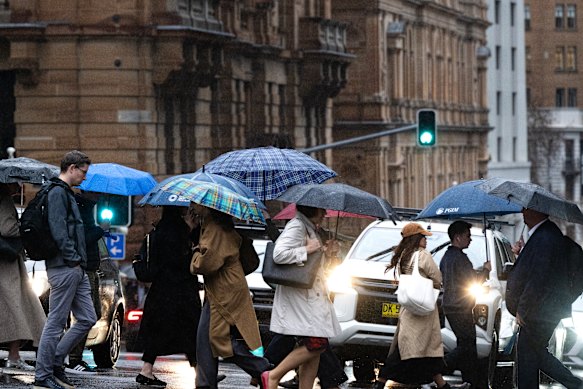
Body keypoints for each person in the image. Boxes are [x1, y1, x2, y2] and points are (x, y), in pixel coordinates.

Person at [33, 150, 98, 389]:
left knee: (88, 318)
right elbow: (58, 228)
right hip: (65, 266)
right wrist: (72, 259)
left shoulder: (65, 192)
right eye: (83, 172)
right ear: (71, 168)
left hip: (74, 266)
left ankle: (55, 362)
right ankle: (43, 375)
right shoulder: (58, 193)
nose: (85, 177)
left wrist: (77, 262)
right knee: (56, 322)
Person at [189, 203, 271, 389]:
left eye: (195, 204)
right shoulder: (212, 225)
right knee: (205, 337)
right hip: (220, 289)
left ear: (208, 207)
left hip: (224, 291)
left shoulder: (216, 229)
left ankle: (263, 369)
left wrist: (195, 255)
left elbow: (206, 264)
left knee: (217, 338)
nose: (191, 207)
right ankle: (205, 382)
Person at [261, 205, 341, 389]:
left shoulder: (310, 228)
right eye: (322, 210)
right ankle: (272, 376)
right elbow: (279, 254)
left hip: (310, 296)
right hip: (301, 298)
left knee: (315, 347)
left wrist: (328, 254)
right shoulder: (297, 226)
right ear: (311, 210)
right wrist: (308, 248)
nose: (325, 214)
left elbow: (313, 266)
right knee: (317, 343)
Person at [507, 208, 583, 388]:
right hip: (541, 310)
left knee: (528, 355)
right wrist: (522, 254)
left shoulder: (545, 237)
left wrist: (523, 310)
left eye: (526, 209)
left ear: (536, 212)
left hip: (538, 312)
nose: (522, 212)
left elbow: (539, 279)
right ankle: (575, 384)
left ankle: (576, 384)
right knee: (534, 354)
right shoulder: (543, 235)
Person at [373, 222, 449, 389]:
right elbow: (437, 278)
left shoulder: (403, 256)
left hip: (408, 309)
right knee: (422, 349)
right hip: (423, 309)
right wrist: (433, 285)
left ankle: (442, 384)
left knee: (411, 348)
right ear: (416, 238)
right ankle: (442, 385)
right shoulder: (423, 255)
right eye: (423, 237)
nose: (426, 241)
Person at [135, 206, 202, 388]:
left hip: (161, 291)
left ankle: (147, 370)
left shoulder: (160, 230)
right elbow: (179, 260)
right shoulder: (178, 231)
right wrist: (191, 235)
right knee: (191, 331)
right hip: (180, 291)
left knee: (159, 330)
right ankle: (200, 374)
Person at [0, 182, 46, 372]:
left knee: (11, 309)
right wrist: (24, 227)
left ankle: (14, 355)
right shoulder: (4, 201)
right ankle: (14, 356)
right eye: (15, 182)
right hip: (6, 262)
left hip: (5, 262)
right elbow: (6, 228)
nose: (19, 186)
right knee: (16, 308)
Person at [440, 221, 490, 389]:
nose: (470, 239)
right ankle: (437, 368)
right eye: (468, 236)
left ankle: (470, 380)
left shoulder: (446, 257)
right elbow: (474, 281)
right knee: (467, 346)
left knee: (466, 345)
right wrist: (485, 270)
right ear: (458, 237)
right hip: (461, 308)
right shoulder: (461, 259)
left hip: (450, 306)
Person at [65, 192, 106, 374]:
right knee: (86, 315)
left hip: (91, 269)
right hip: (83, 270)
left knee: (93, 313)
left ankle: (71, 355)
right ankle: (73, 358)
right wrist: (100, 230)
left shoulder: (87, 208)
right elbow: (82, 238)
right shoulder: (80, 209)